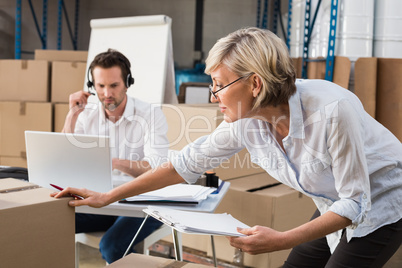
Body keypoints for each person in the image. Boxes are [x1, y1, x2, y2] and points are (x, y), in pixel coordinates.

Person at [53, 28, 402, 267]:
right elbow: (181, 166)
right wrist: (105, 198)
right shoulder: (245, 121)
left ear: (254, 83)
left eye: (218, 84)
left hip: (383, 199)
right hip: (334, 199)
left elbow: (356, 201)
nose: (212, 95)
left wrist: (281, 238)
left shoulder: (331, 111)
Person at [62, 49, 169, 263]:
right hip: (100, 202)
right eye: (100, 86)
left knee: (111, 246)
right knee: (50, 222)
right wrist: (72, 114)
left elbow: (157, 168)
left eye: (113, 85)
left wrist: (113, 163)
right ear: (92, 86)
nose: (107, 93)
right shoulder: (86, 115)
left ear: (127, 82)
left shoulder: (150, 114)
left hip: (143, 203)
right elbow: (65, 158)